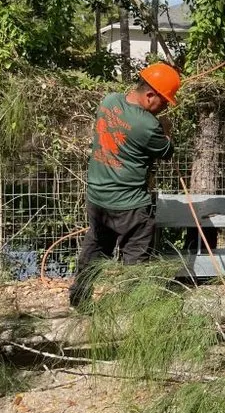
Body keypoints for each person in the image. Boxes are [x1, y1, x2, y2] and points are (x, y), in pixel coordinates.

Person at [69, 63, 181, 308]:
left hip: (98, 198)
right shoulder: (147, 125)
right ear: (150, 95)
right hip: (130, 206)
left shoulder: (109, 101)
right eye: (163, 102)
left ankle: (79, 298)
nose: (163, 107)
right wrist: (167, 129)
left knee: (96, 247)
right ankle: (134, 309)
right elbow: (166, 150)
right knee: (137, 259)